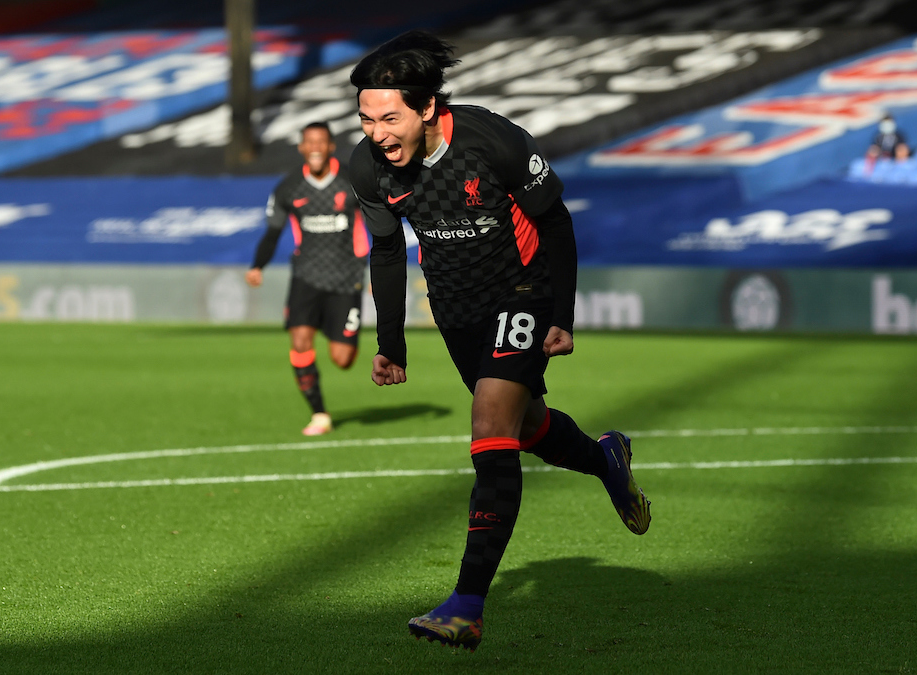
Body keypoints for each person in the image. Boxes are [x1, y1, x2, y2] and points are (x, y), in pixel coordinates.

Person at [347, 30, 651, 652]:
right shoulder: (368, 168)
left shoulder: (491, 138)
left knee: (489, 428)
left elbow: (555, 220)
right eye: (366, 118)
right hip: (456, 310)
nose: (376, 132)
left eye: (389, 117)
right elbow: (385, 250)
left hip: (523, 291)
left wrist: (560, 313)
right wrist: (392, 343)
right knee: (528, 426)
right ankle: (605, 460)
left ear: (428, 107)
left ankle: (467, 604)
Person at [246, 121, 369, 436]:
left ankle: (335, 327)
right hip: (306, 275)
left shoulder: (352, 182)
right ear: (302, 148)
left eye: (321, 142)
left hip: (347, 277)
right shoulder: (288, 188)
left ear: (330, 147)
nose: (315, 147)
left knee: (342, 359)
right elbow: (273, 231)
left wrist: (378, 268)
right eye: (309, 142)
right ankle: (319, 414)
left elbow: (380, 223)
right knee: (299, 340)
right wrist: (258, 265)